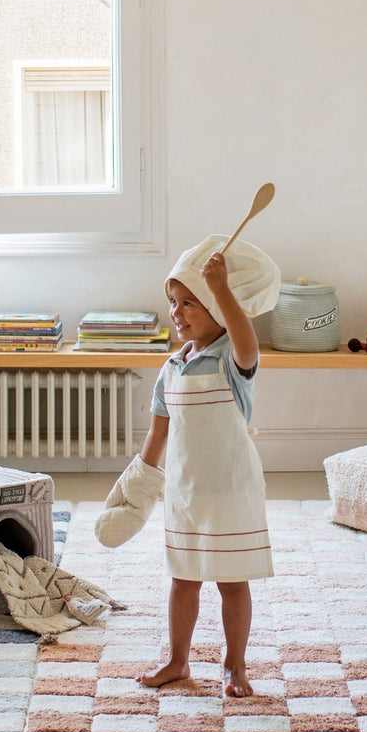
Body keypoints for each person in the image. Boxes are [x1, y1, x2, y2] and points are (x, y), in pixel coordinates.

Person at [127, 234, 279, 698]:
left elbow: (248, 343)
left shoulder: (235, 362)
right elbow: (158, 434)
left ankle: (234, 665)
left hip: (232, 491)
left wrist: (222, 288)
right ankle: (178, 661)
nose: (176, 312)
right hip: (187, 492)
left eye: (189, 302)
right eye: (174, 302)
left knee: (232, 584)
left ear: (218, 307)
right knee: (183, 581)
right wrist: (137, 486)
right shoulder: (171, 367)